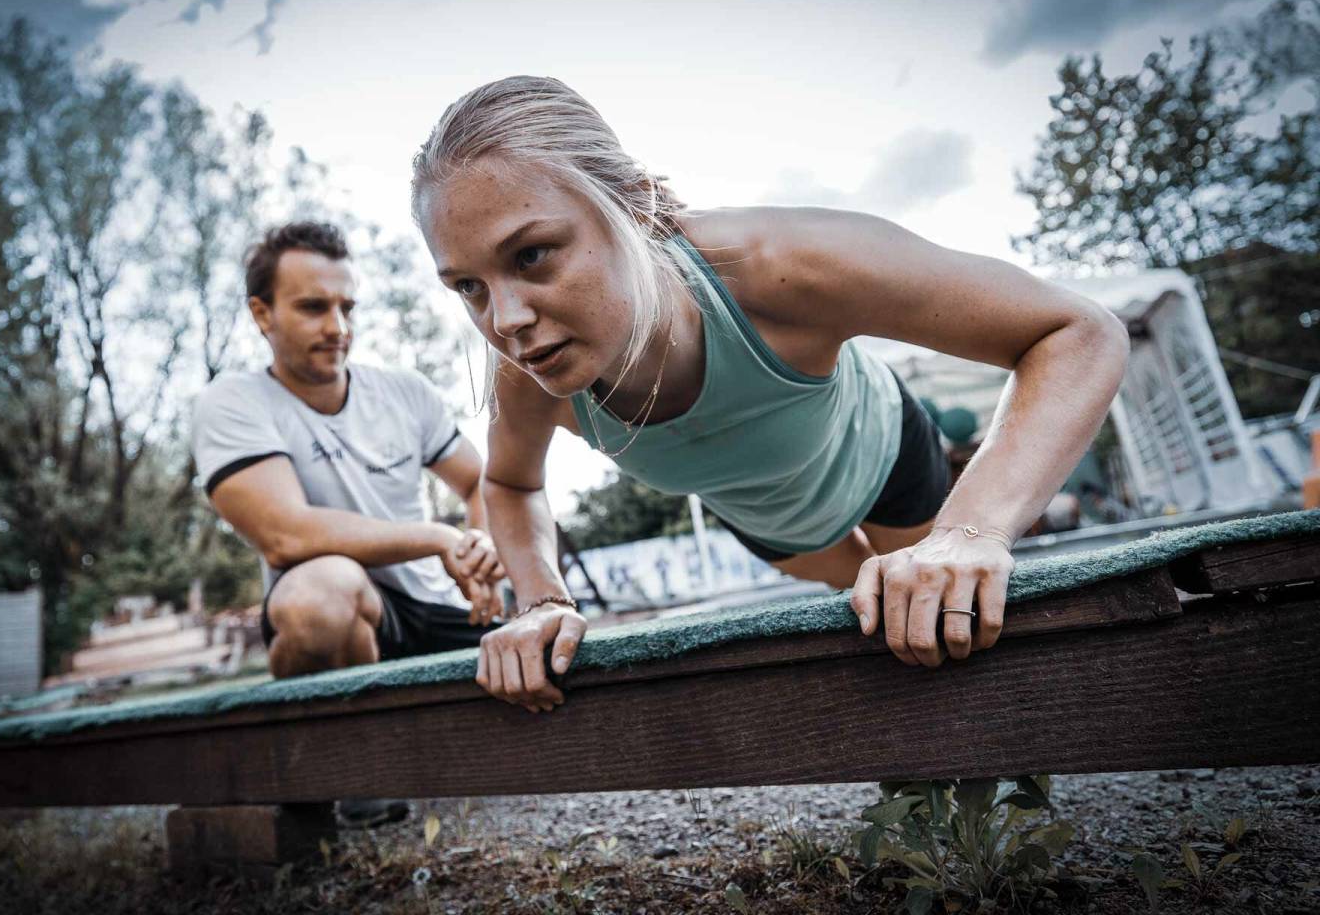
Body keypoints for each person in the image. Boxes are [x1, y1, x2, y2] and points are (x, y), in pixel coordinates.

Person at [409, 76, 1130, 714]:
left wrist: (969, 534)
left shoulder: (782, 266)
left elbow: (1079, 331)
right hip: (782, 528)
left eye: (531, 255)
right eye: (468, 287)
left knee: (950, 627)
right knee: (890, 649)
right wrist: (539, 602)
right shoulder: (527, 363)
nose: (504, 321)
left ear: (632, 205)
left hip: (882, 460)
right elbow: (508, 482)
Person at [192, 220, 507, 681]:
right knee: (317, 601)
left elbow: (481, 483)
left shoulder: (404, 392)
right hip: (342, 614)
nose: (337, 328)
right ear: (262, 314)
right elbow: (286, 535)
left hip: (442, 606)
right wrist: (439, 538)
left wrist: (482, 546)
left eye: (348, 308)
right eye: (313, 308)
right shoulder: (234, 401)